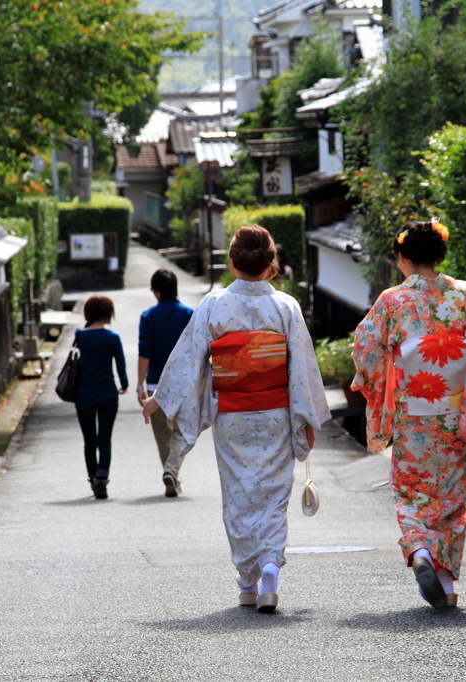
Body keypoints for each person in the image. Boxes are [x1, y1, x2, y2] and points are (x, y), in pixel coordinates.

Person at [142, 225, 330, 613]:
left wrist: (159, 401)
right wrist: (305, 416)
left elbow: (188, 358)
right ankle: (269, 568)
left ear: (232, 262)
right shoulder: (286, 307)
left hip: (233, 416)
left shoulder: (214, 305)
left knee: (239, 495)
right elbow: (302, 369)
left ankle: (247, 581)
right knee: (275, 496)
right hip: (277, 412)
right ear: (270, 263)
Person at [351, 220, 466, 609]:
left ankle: (419, 550)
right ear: (440, 256)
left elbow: (365, 348)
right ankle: (447, 585)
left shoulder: (392, 300)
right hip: (454, 412)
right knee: (452, 496)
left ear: (402, 258)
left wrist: (370, 382)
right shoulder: (464, 295)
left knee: (410, 490)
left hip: (412, 415)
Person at [136, 269, 194, 497]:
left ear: (157, 291)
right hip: (184, 385)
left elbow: (145, 352)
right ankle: (172, 473)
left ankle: (171, 474)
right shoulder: (189, 314)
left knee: (163, 435)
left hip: (155, 388)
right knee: (182, 431)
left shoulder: (148, 316)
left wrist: (140, 385)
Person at [75, 295, 128, 500]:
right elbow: (121, 367)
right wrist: (123, 384)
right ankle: (102, 479)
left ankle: (92, 477)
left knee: (89, 441)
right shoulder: (112, 338)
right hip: (107, 394)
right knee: (104, 440)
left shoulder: (80, 336)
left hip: (84, 395)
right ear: (108, 313)